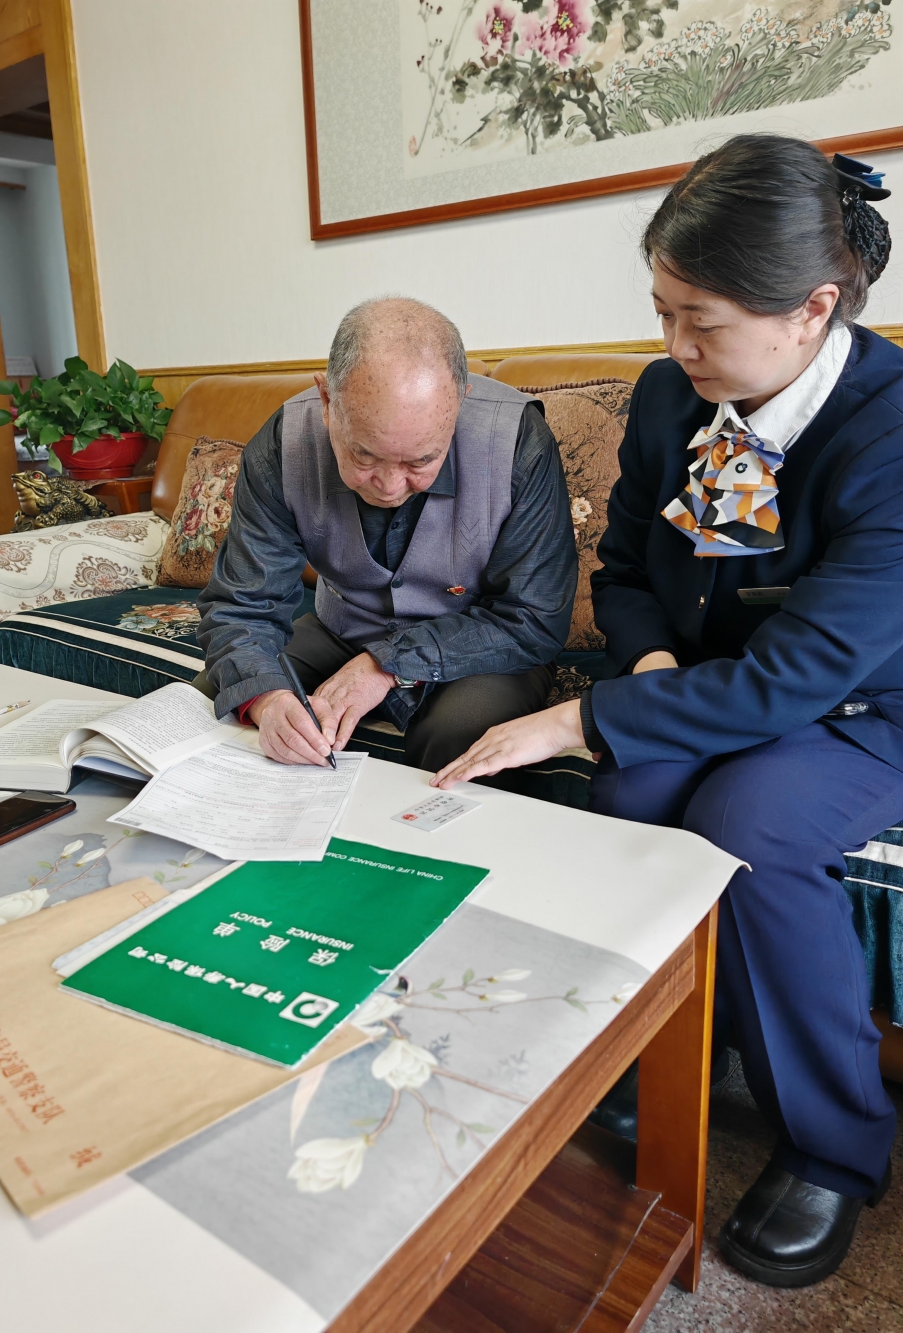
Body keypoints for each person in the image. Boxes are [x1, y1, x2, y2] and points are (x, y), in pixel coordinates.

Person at [433, 135, 902, 1288]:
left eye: (702, 320)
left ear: (812, 308)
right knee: (633, 788)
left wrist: (572, 717)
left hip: (860, 704)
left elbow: (804, 673)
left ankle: (832, 1148)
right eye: (661, 311)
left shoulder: (890, 430)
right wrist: (639, 663)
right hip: (699, 686)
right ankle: (680, 1059)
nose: (673, 346)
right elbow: (630, 564)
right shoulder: (667, 396)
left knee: (752, 819)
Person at [196, 296, 575, 772]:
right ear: (328, 403)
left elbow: (534, 619)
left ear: (459, 403)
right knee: (214, 700)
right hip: (343, 627)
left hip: (480, 643)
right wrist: (267, 701)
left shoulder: (521, 442)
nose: (391, 487)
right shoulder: (283, 442)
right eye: (364, 456)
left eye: (421, 461)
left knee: (461, 739)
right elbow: (241, 605)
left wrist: (385, 665)